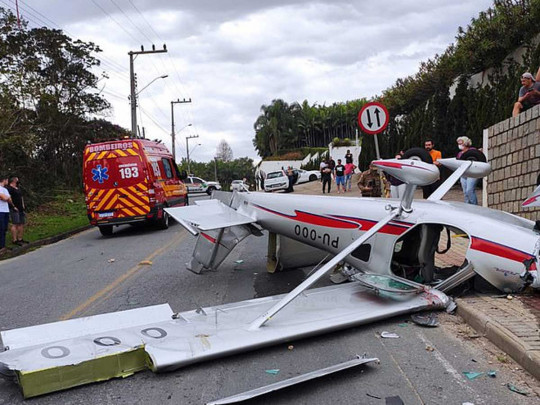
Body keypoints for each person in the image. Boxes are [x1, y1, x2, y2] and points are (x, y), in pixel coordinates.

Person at [456, 136, 479, 205]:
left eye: (461, 143)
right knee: (465, 192)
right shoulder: (460, 154)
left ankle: (474, 206)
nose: (459, 145)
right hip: (463, 174)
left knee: (469, 190)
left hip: (472, 173)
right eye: (458, 143)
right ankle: (467, 206)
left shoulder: (473, 150)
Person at [6, 176, 27, 245]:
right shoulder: (9, 189)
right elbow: (9, 198)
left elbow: (21, 197)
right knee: (15, 223)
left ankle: (20, 238)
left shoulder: (18, 188)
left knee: (21, 223)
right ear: (14, 181)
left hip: (20, 208)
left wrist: (23, 205)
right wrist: (13, 206)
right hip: (14, 209)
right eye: (17, 180)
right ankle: (14, 240)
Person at [0, 175, 11, 254]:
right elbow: (4, 198)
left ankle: (3, 245)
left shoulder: (5, 189)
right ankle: (1, 247)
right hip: (0, 211)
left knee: (4, 228)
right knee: (1, 228)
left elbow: (10, 200)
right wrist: (6, 198)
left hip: (6, 210)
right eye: (7, 180)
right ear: (4, 180)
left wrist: (7, 198)